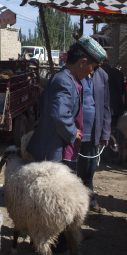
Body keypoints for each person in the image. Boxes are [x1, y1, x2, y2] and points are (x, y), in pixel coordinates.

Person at [26, 35, 106, 163]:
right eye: (94, 67)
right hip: (54, 152)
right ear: (82, 62)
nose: (92, 72)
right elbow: (59, 115)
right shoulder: (64, 81)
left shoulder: (66, 78)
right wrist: (73, 132)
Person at [78, 60, 112, 214]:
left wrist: (105, 132)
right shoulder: (77, 73)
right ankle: (75, 205)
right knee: (73, 170)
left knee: (89, 170)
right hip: (76, 133)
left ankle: (90, 201)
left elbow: (105, 105)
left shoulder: (102, 75)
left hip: (93, 132)